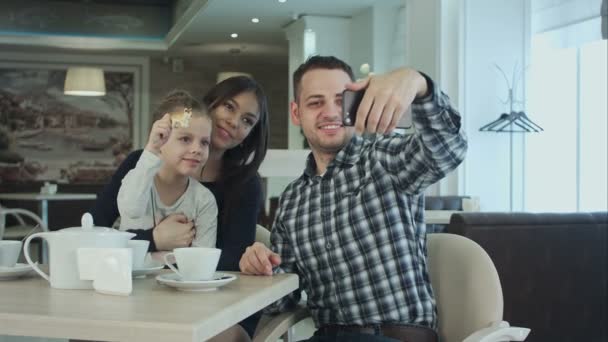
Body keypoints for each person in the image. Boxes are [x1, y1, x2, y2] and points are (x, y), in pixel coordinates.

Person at [239, 56, 468, 342]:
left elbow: (449, 148)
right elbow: (281, 301)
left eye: (340, 100)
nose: (330, 112)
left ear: (354, 105)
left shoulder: (384, 159)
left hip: (395, 336)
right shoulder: (292, 200)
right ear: (296, 114)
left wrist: (417, 83)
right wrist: (260, 268)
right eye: (315, 102)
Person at [90, 76, 269, 341]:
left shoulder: (243, 185)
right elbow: (95, 229)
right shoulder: (142, 165)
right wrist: (154, 239)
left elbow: (231, 262)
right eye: (229, 107)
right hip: (143, 291)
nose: (233, 122)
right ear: (209, 105)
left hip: (217, 299)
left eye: (246, 121)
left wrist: (165, 260)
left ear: (250, 134)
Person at [116, 90, 217, 250]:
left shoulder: (204, 200)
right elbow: (132, 209)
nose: (197, 149)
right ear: (160, 138)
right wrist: (151, 150)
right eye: (185, 139)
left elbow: (202, 257)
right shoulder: (136, 180)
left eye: (204, 142)